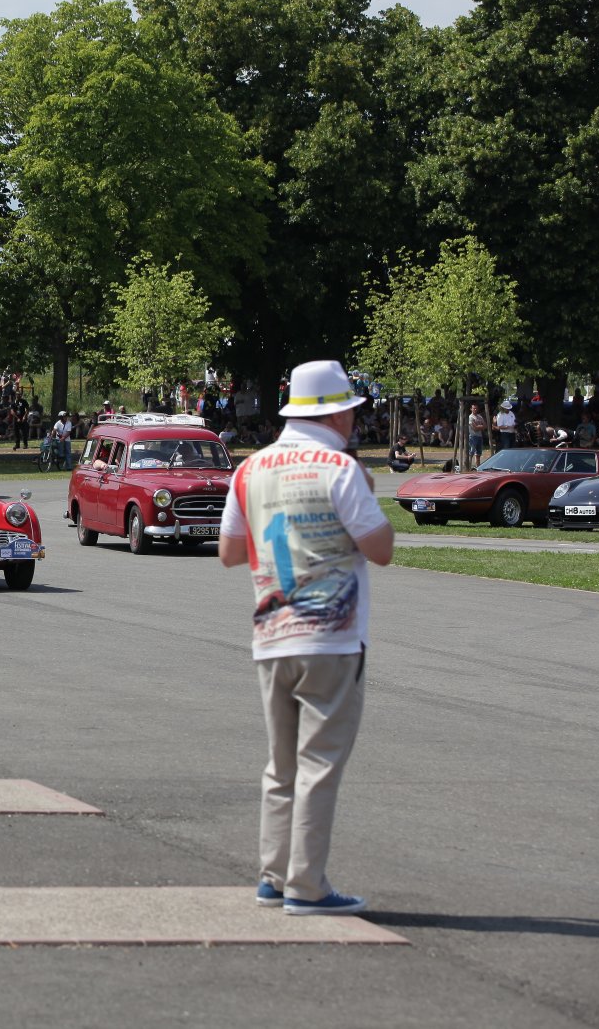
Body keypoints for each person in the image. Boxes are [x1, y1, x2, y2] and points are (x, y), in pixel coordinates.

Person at [217, 359, 394, 917]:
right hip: (331, 637)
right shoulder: (341, 468)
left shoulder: (251, 468)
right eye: (351, 412)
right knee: (319, 763)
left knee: (281, 767)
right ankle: (306, 885)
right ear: (337, 414)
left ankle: (273, 876)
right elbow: (381, 549)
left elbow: (230, 553)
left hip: (273, 632)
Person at [466, 402, 487, 468]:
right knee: (471, 452)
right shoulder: (470, 417)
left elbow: (485, 426)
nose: (475, 409)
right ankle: (468, 466)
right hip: (472, 436)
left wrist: (478, 426)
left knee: (478, 453)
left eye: (476, 408)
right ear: (471, 409)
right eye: (474, 408)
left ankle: (478, 467)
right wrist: (480, 426)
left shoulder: (479, 416)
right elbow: (474, 428)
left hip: (479, 436)